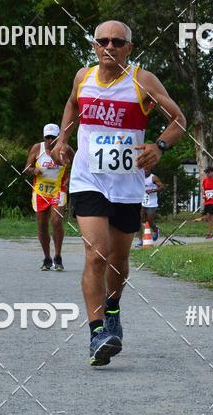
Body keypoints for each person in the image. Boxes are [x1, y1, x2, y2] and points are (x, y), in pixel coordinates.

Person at [51, 20, 186, 366]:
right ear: (94, 46)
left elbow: (179, 120)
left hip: (127, 184)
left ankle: (112, 309)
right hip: (87, 179)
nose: (108, 47)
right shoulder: (83, 77)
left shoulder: (142, 80)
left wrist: (159, 146)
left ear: (129, 47)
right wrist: (63, 139)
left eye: (117, 41)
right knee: (97, 254)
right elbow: (71, 106)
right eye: (102, 41)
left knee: (119, 260)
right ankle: (97, 333)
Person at [25, 124, 73, 270]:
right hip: (40, 192)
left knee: (56, 220)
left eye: (53, 137)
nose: (50, 140)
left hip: (58, 190)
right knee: (42, 225)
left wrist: (70, 178)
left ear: (59, 137)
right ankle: (47, 258)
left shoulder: (66, 149)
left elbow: (79, 164)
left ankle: (58, 257)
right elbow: (26, 168)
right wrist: (34, 170)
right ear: (44, 137)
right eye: (47, 137)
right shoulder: (37, 149)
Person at [135, 172, 164, 246]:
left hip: (152, 203)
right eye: (143, 169)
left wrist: (152, 190)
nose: (145, 171)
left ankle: (155, 229)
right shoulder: (139, 176)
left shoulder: (153, 177)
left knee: (150, 220)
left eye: (147, 169)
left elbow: (162, 187)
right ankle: (141, 241)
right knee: (139, 221)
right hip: (141, 202)